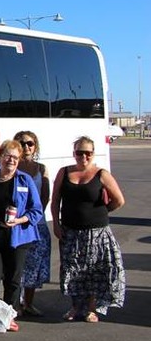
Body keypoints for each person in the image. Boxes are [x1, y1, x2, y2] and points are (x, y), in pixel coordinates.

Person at [51, 136, 126, 323]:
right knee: (73, 270)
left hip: (97, 233)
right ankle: (75, 307)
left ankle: (91, 309)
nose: (83, 156)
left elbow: (119, 200)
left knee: (94, 271)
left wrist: (102, 211)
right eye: (79, 152)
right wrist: (56, 224)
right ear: (74, 153)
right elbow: (55, 201)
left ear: (93, 154)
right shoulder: (64, 172)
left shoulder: (101, 174)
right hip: (71, 232)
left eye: (88, 153)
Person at [0, 140, 43, 331]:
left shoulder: (24, 180)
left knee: (13, 279)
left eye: (15, 157)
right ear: (0, 157)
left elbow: (36, 210)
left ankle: (8, 316)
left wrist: (19, 220)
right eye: (7, 156)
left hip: (18, 237)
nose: (11, 160)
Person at [14, 130, 51, 317]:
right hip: (17, 225)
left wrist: (33, 217)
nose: (26, 147)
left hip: (37, 224)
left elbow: (45, 196)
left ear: (35, 146)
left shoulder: (42, 168)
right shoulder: (12, 166)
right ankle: (15, 304)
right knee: (17, 266)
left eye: (30, 143)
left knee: (34, 266)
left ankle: (28, 303)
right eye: (22, 143)